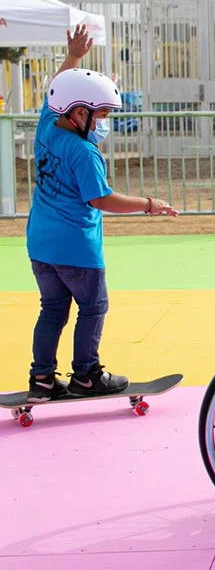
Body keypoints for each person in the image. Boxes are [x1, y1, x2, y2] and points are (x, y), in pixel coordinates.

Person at [25, 25, 179, 402]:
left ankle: (42, 379)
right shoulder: (84, 153)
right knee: (93, 307)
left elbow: (58, 86)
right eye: (103, 114)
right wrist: (148, 204)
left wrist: (75, 55)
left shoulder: (47, 126)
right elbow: (102, 200)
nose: (105, 123)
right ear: (79, 113)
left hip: (40, 245)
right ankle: (87, 375)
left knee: (52, 309)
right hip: (77, 248)